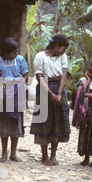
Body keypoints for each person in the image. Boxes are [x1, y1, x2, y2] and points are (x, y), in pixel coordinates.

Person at [30, 34, 71, 166]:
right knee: (44, 122)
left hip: (59, 87)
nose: (63, 52)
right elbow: (39, 77)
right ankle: (44, 156)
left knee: (57, 123)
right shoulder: (40, 56)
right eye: (62, 48)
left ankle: (53, 155)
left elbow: (64, 74)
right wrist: (50, 94)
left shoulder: (62, 57)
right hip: (44, 89)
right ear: (57, 46)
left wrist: (59, 93)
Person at [0, 37, 29, 163]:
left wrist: (21, 82)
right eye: (14, 53)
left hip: (17, 97)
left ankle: (13, 153)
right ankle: (4, 153)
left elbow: (25, 74)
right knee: (4, 126)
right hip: (4, 97)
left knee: (16, 125)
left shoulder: (20, 60)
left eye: (17, 52)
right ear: (6, 53)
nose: (17, 54)